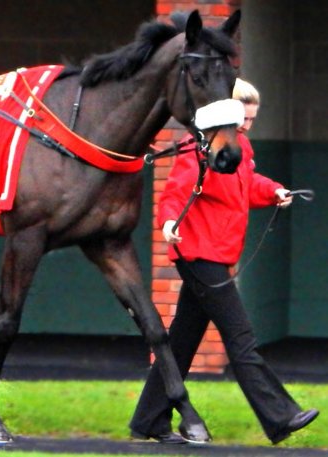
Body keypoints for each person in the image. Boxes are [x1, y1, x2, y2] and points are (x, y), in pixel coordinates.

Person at [129, 79, 319, 445]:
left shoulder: (239, 147)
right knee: (240, 336)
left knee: (182, 341)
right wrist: (168, 223)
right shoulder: (201, 147)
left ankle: (149, 419)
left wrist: (274, 191)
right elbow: (175, 192)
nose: (247, 125)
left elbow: (246, 184)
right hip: (199, 256)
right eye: (243, 118)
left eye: (252, 119)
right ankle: (280, 416)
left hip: (215, 255)